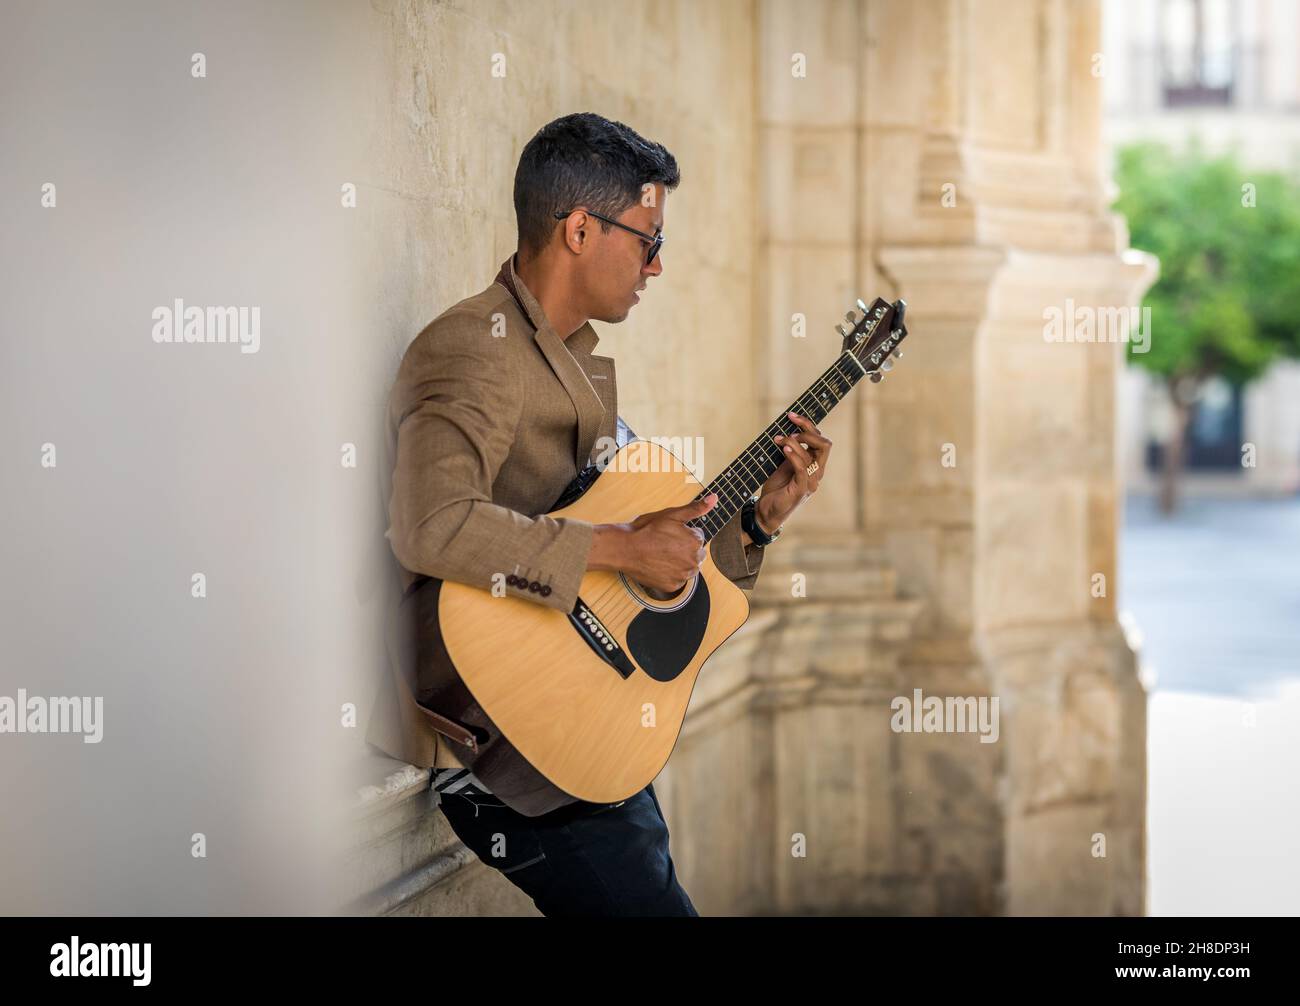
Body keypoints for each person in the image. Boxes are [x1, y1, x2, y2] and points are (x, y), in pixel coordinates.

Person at [365, 112, 832, 916]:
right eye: (649, 238)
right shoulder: (474, 348)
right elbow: (430, 523)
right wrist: (617, 545)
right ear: (580, 228)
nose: (659, 265)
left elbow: (655, 563)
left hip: (573, 720)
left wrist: (757, 522)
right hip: (495, 745)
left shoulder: (565, 364)